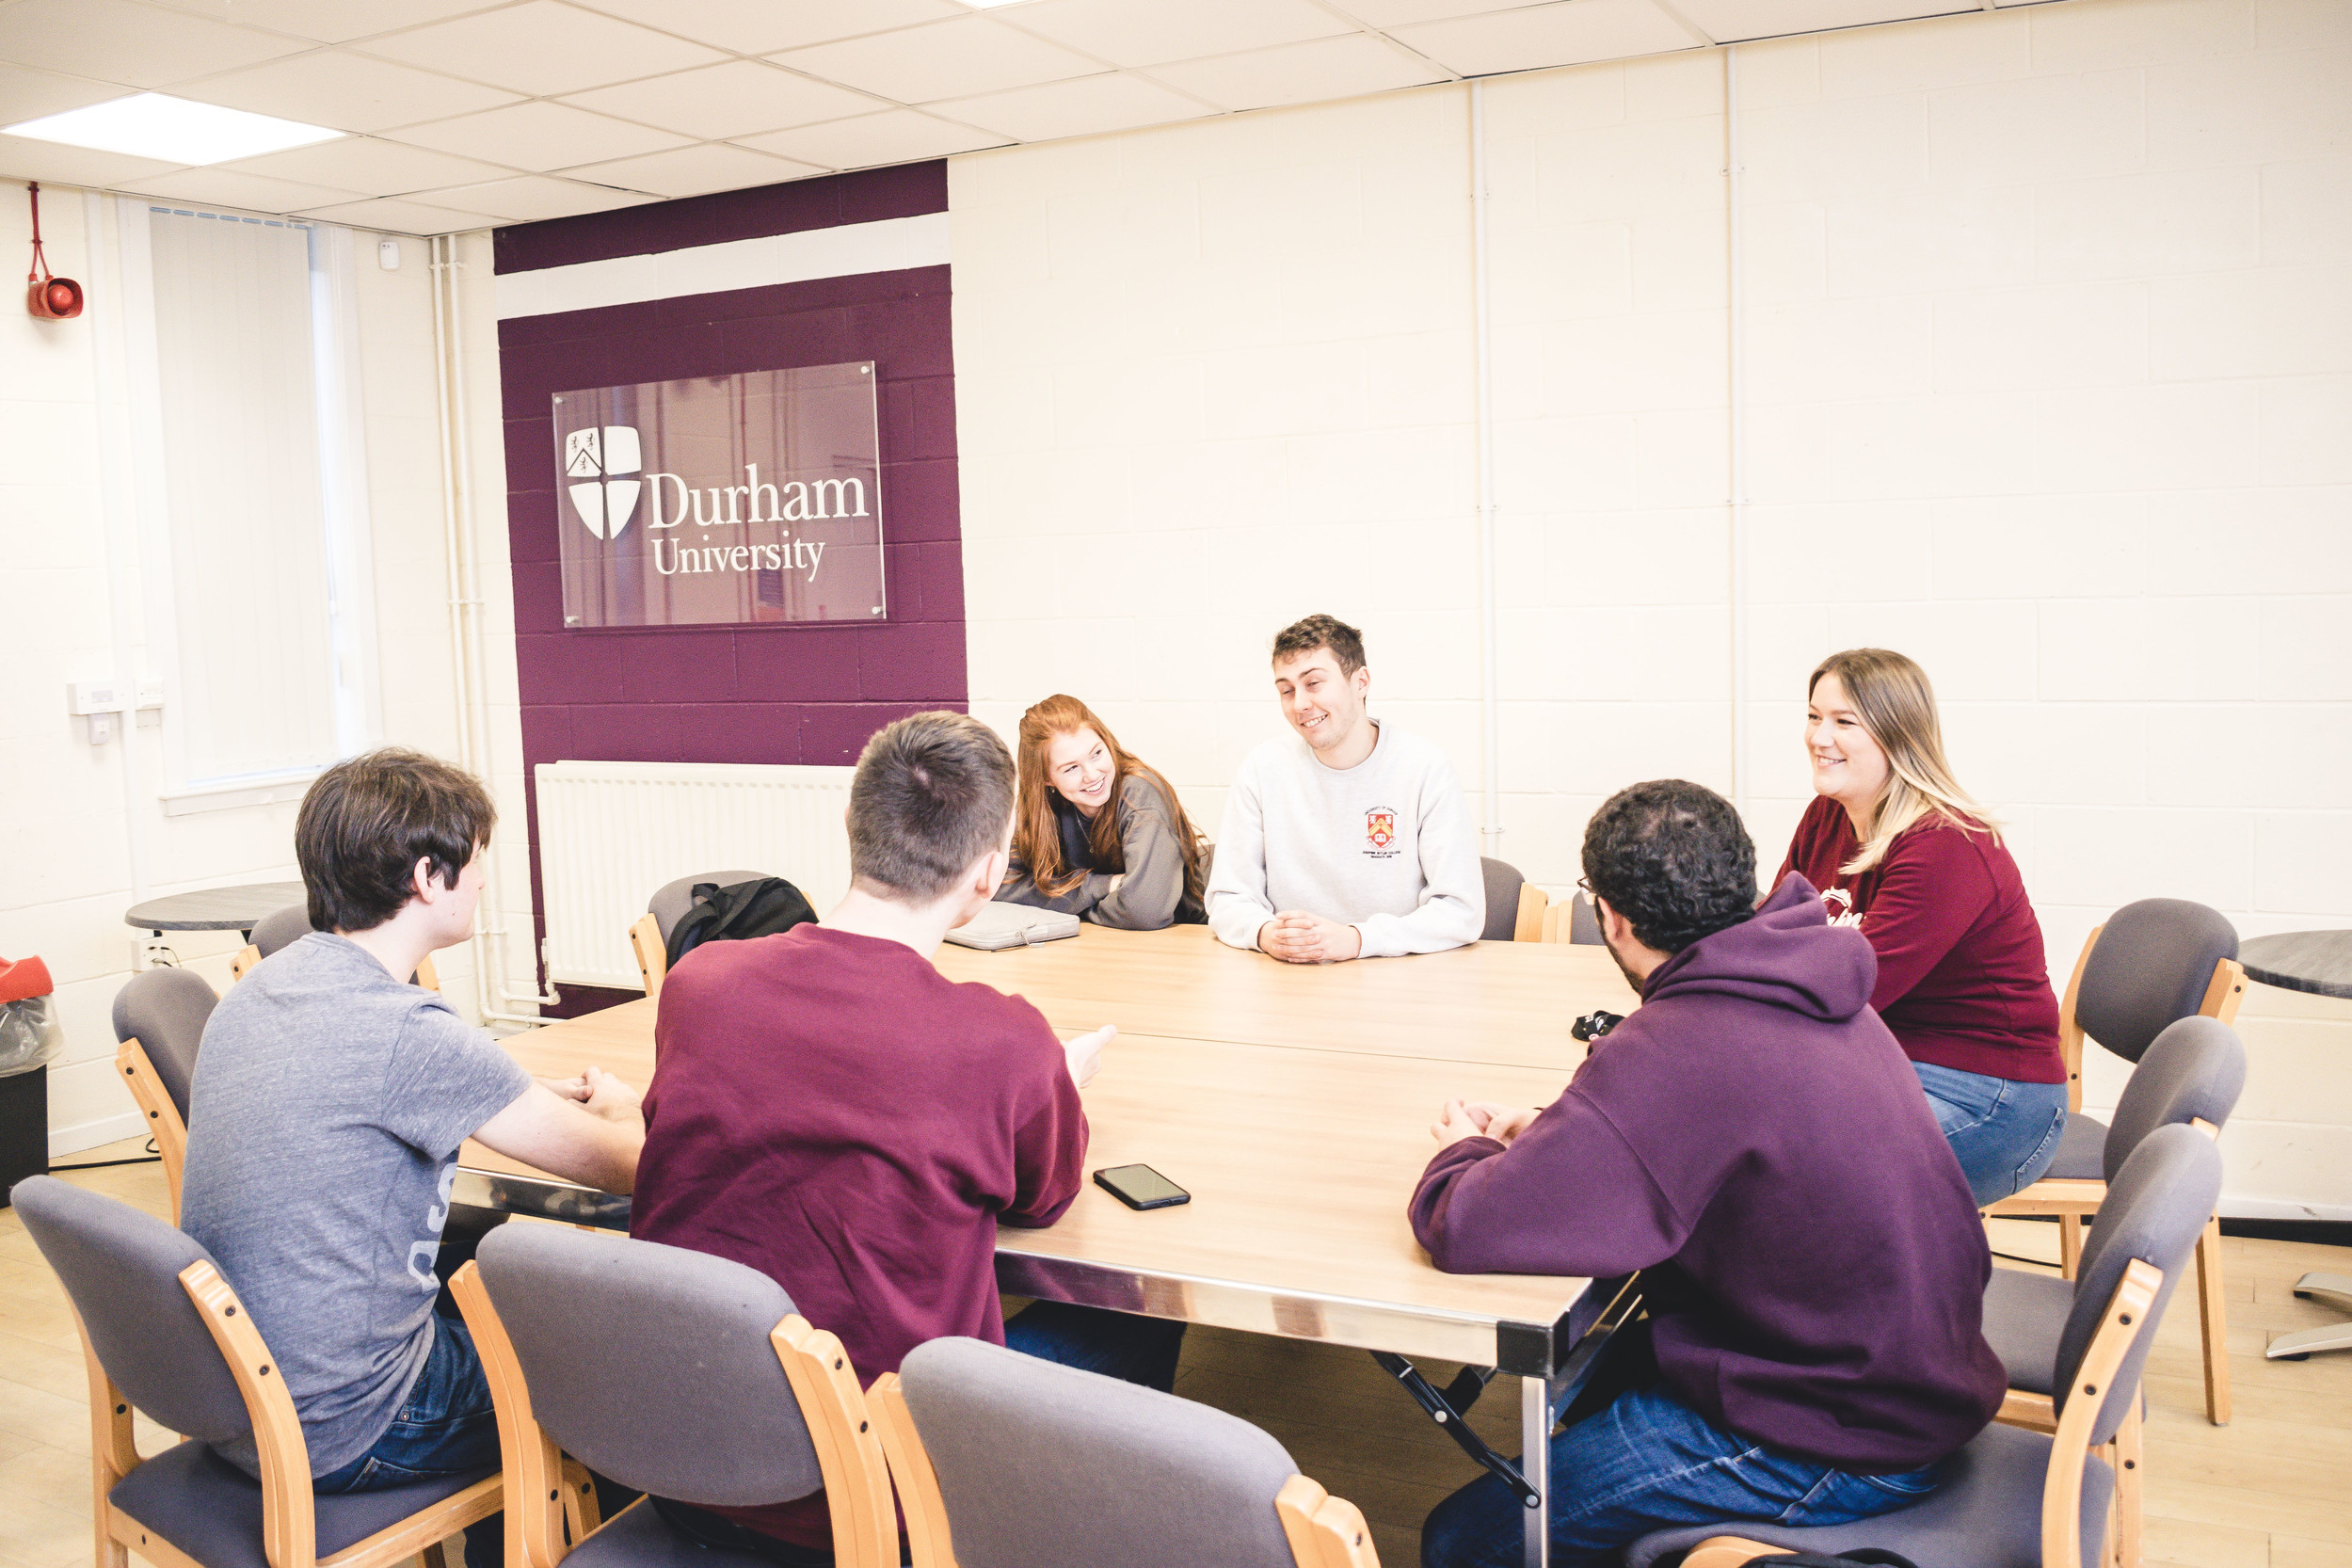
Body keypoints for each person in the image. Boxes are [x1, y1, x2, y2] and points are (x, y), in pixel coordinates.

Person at [629, 710, 1187, 1564]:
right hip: (889, 1500)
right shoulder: (1000, 1043)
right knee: (1141, 1318)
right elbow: (1041, 1201)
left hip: (685, 1467)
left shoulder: (697, 983)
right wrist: (1055, 1089)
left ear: (855, 832)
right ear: (989, 873)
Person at [1412, 780, 2004, 1568]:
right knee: (1591, 1378)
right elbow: (1688, 1122)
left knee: (1465, 1541)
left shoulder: (1681, 1041)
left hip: (1834, 1435)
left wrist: (1464, 1150)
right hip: (1911, 1373)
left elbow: (1466, 1224)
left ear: (1612, 920)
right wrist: (1562, 1135)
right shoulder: (1809, 982)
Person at [180, 749, 645, 1568]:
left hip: (232, 1397)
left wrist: (505, 1085)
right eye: (475, 861)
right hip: (348, 1423)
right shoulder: (408, 1038)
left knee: (504, 1299)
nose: (484, 881)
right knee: (599, 1383)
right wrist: (618, 1110)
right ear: (429, 877)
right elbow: (629, 1168)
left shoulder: (261, 988)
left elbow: (375, 1084)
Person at [1778, 648, 2068, 1207]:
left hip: (1995, 1099)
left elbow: (1843, 990)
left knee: (1794, 1177)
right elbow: (1775, 938)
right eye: (1814, 717)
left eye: (1844, 722)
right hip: (1887, 1062)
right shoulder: (1827, 816)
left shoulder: (1945, 844)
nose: (1819, 737)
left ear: (1897, 735)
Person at [1204, 614, 1482, 963]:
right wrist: (1265, 933)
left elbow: (1461, 911)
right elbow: (1228, 898)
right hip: (1291, 979)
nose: (1300, 704)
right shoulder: (1262, 770)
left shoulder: (1424, 768)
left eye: (1314, 683)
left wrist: (1357, 940)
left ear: (1360, 682)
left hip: (1398, 980)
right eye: (1287, 690)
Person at [999, 693, 1210, 929]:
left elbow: (1144, 910)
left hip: (1184, 936)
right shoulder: (1039, 806)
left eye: (1097, 753)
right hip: (1100, 943)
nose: (1092, 775)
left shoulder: (1139, 791)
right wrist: (1104, 885)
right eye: (1071, 768)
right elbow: (1001, 888)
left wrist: (1074, 909)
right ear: (1047, 778)